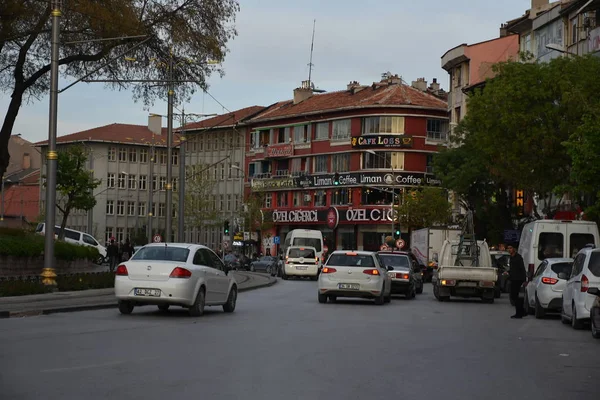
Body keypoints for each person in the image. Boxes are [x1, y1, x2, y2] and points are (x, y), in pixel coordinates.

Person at [507, 244, 527, 319]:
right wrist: (508, 272)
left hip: (518, 279)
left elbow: (522, 268)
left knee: (515, 296)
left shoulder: (518, 257)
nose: (509, 250)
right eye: (508, 248)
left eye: (510, 248)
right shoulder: (511, 258)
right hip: (513, 278)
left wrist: (524, 279)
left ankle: (519, 313)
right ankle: (522, 311)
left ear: (514, 249)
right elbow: (512, 269)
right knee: (513, 296)